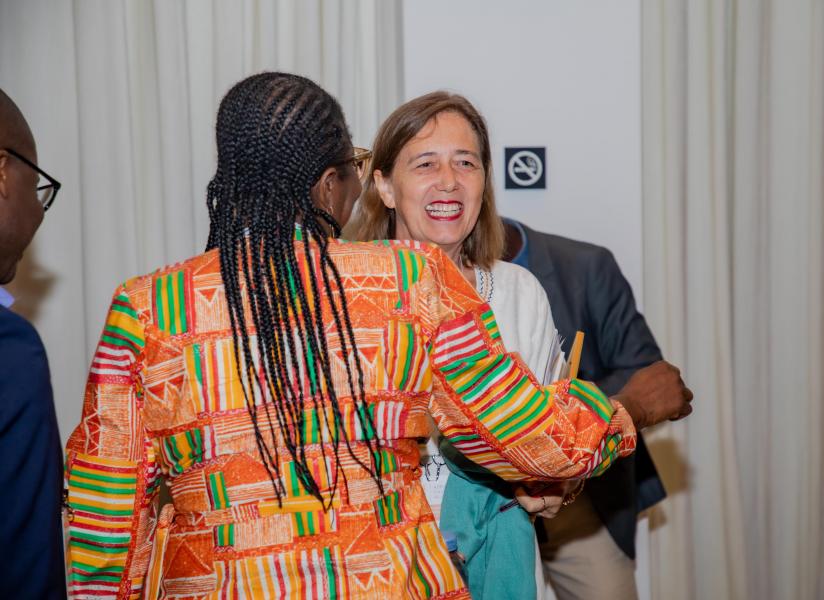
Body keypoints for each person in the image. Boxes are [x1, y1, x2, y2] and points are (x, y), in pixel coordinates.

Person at [64, 73, 690, 599]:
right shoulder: (411, 281)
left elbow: (104, 512)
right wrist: (630, 408)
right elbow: (526, 436)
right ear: (330, 182)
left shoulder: (146, 306)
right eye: (353, 167)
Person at [343, 91, 693, 600]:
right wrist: (633, 406)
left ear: (484, 182)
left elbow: (549, 436)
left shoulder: (519, 291)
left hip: (499, 559)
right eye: (426, 163)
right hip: (385, 560)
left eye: (466, 162)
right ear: (384, 186)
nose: (449, 180)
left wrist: (555, 486)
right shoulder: (348, 294)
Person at [503, 218, 665, 600]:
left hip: (581, 501)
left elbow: (643, 369)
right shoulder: (431, 276)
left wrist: (563, 412)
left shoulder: (585, 265)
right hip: (487, 501)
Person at [0, 88, 66, 598]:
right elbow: (26, 569)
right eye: (36, 184)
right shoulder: (10, 350)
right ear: (3, 172)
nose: (40, 211)